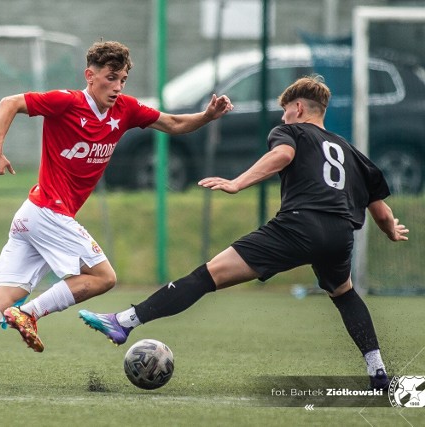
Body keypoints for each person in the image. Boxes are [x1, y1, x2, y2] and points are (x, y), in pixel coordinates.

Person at [0, 40, 233, 386]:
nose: (117, 86)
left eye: (123, 80)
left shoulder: (125, 110)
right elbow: (10, 103)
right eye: (111, 77)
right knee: (104, 278)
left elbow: (173, 123)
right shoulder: (67, 102)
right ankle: (29, 313)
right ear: (90, 75)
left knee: (1, 303)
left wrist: (207, 116)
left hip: (35, 216)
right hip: (46, 211)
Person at [79, 75, 409, 391]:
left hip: (299, 226)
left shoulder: (290, 132)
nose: (283, 116)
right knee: (344, 293)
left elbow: (282, 155)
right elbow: (379, 208)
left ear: (296, 108)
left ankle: (124, 321)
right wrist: (391, 230)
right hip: (340, 234)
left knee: (207, 275)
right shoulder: (350, 151)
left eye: (284, 110)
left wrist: (238, 182)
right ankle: (377, 370)